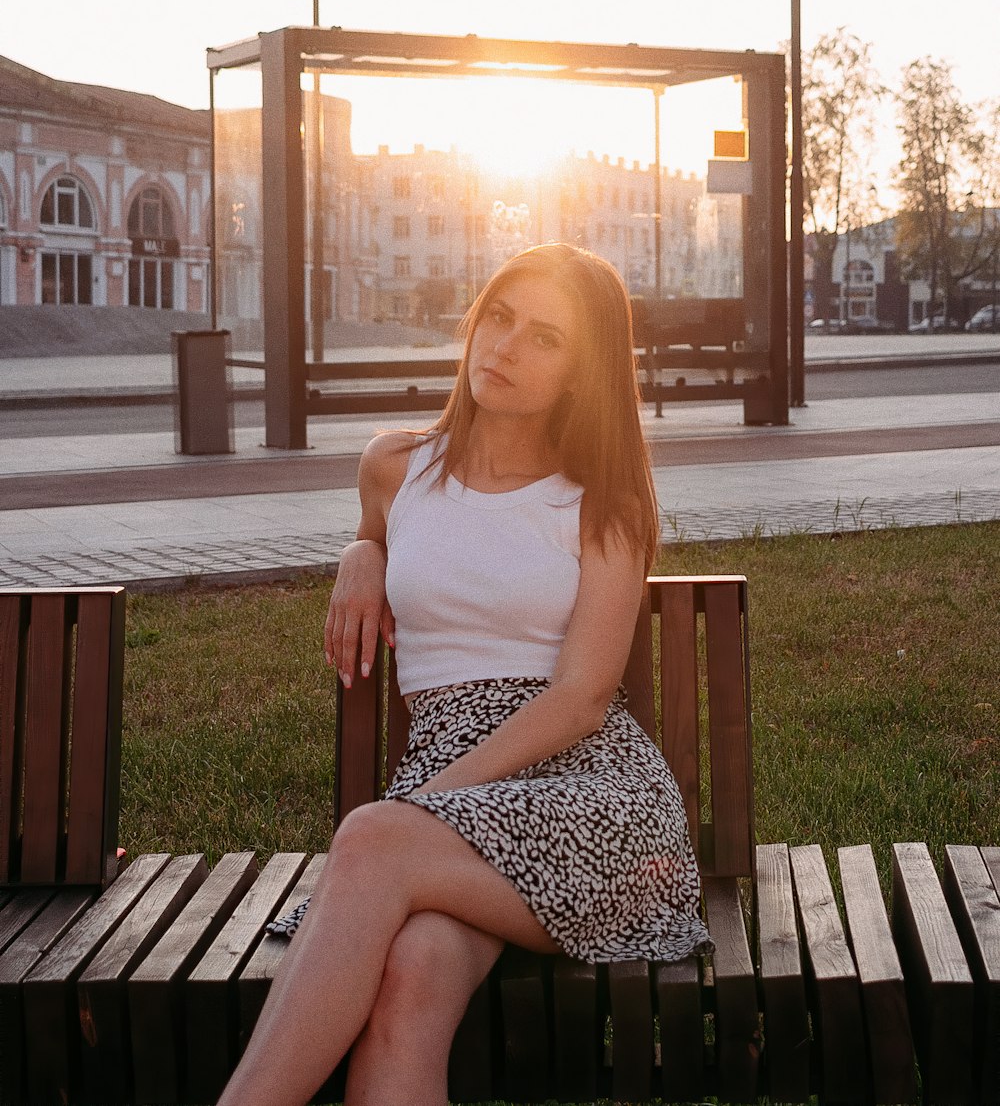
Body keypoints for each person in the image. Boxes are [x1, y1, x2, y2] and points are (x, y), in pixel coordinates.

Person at [218, 242, 712, 1106]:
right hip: (452, 810)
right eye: (499, 316)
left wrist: (423, 805)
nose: (506, 346)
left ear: (582, 373)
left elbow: (581, 699)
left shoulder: (606, 501)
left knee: (371, 838)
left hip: (587, 796)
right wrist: (357, 552)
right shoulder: (393, 464)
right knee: (409, 982)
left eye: (546, 338)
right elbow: (386, 531)